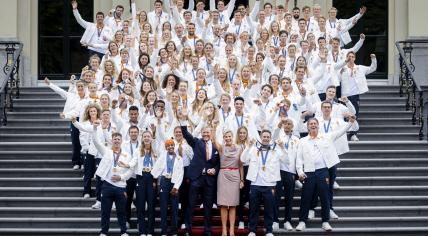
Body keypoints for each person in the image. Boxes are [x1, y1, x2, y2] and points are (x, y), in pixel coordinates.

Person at [295, 115, 356, 232]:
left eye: (314, 124)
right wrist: (300, 172)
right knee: (305, 197)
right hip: (308, 173)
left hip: (323, 171)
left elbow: (340, 132)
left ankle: (325, 222)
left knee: (325, 197)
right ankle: (302, 222)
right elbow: (299, 159)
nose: (313, 125)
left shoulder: (327, 137)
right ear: (307, 127)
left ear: (318, 126)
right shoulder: (302, 141)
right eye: (310, 124)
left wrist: (350, 123)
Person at [179, 110, 220, 236]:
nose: (206, 134)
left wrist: (215, 169)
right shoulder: (196, 142)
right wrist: (183, 120)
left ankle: (207, 230)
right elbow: (185, 133)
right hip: (196, 178)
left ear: (211, 133)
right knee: (191, 204)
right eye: (204, 132)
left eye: (208, 132)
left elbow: (220, 162)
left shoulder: (217, 146)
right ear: (201, 133)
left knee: (208, 206)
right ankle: (188, 229)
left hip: (209, 180)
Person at [91, 122, 133, 236]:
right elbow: (96, 142)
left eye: (119, 139)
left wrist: (121, 177)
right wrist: (95, 128)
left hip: (120, 187)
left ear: (121, 141)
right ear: (112, 140)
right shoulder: (107, 152)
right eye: (115, 139)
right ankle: (104, 232)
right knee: (105, 211)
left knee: (121, 211)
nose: (117, 141)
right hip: (107, 186)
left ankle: (123, 231)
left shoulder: (127, 155)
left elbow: (131, 170)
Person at [241, 130, 286, 236]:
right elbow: (243, 159)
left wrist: (283, 148)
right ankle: (252, 230)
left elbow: (287, 160)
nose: (265, 138)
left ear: (270, 138)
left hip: (270, 184)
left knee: (269, 209)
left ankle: (269, 231)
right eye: (264, 136)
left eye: (267, 136)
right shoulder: (253, 149)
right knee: (253, 208)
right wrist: (248, 146)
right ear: (261, 137)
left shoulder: (276, 150)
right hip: (255, 184)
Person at [212, 128, 244, 236]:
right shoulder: (221, 148)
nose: (228, 138)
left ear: (232, 137)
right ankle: (224, 229)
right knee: (224, 205)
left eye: (229, 136)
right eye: (226, 136)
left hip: (235, 176)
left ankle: (231, 230)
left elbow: (240, 165)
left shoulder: (239, 148)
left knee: (233, 205)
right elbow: (213, 139)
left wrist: (241, 179)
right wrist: (213, 127)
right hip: (223, 176)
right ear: (224, 138)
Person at [340, 52, 376, 141]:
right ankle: (343, 134)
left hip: (355, 95)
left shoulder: (359, 68)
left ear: (354, 58)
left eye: (352, 57)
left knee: (354, 114)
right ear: (346, 58)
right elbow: (336, 79)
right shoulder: (342, 68)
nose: (351, 58)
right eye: (349, 57)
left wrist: (373, 59)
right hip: (345, 95)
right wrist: (339, 73)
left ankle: (353, 134)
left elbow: (372, 68)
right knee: (344, 115)